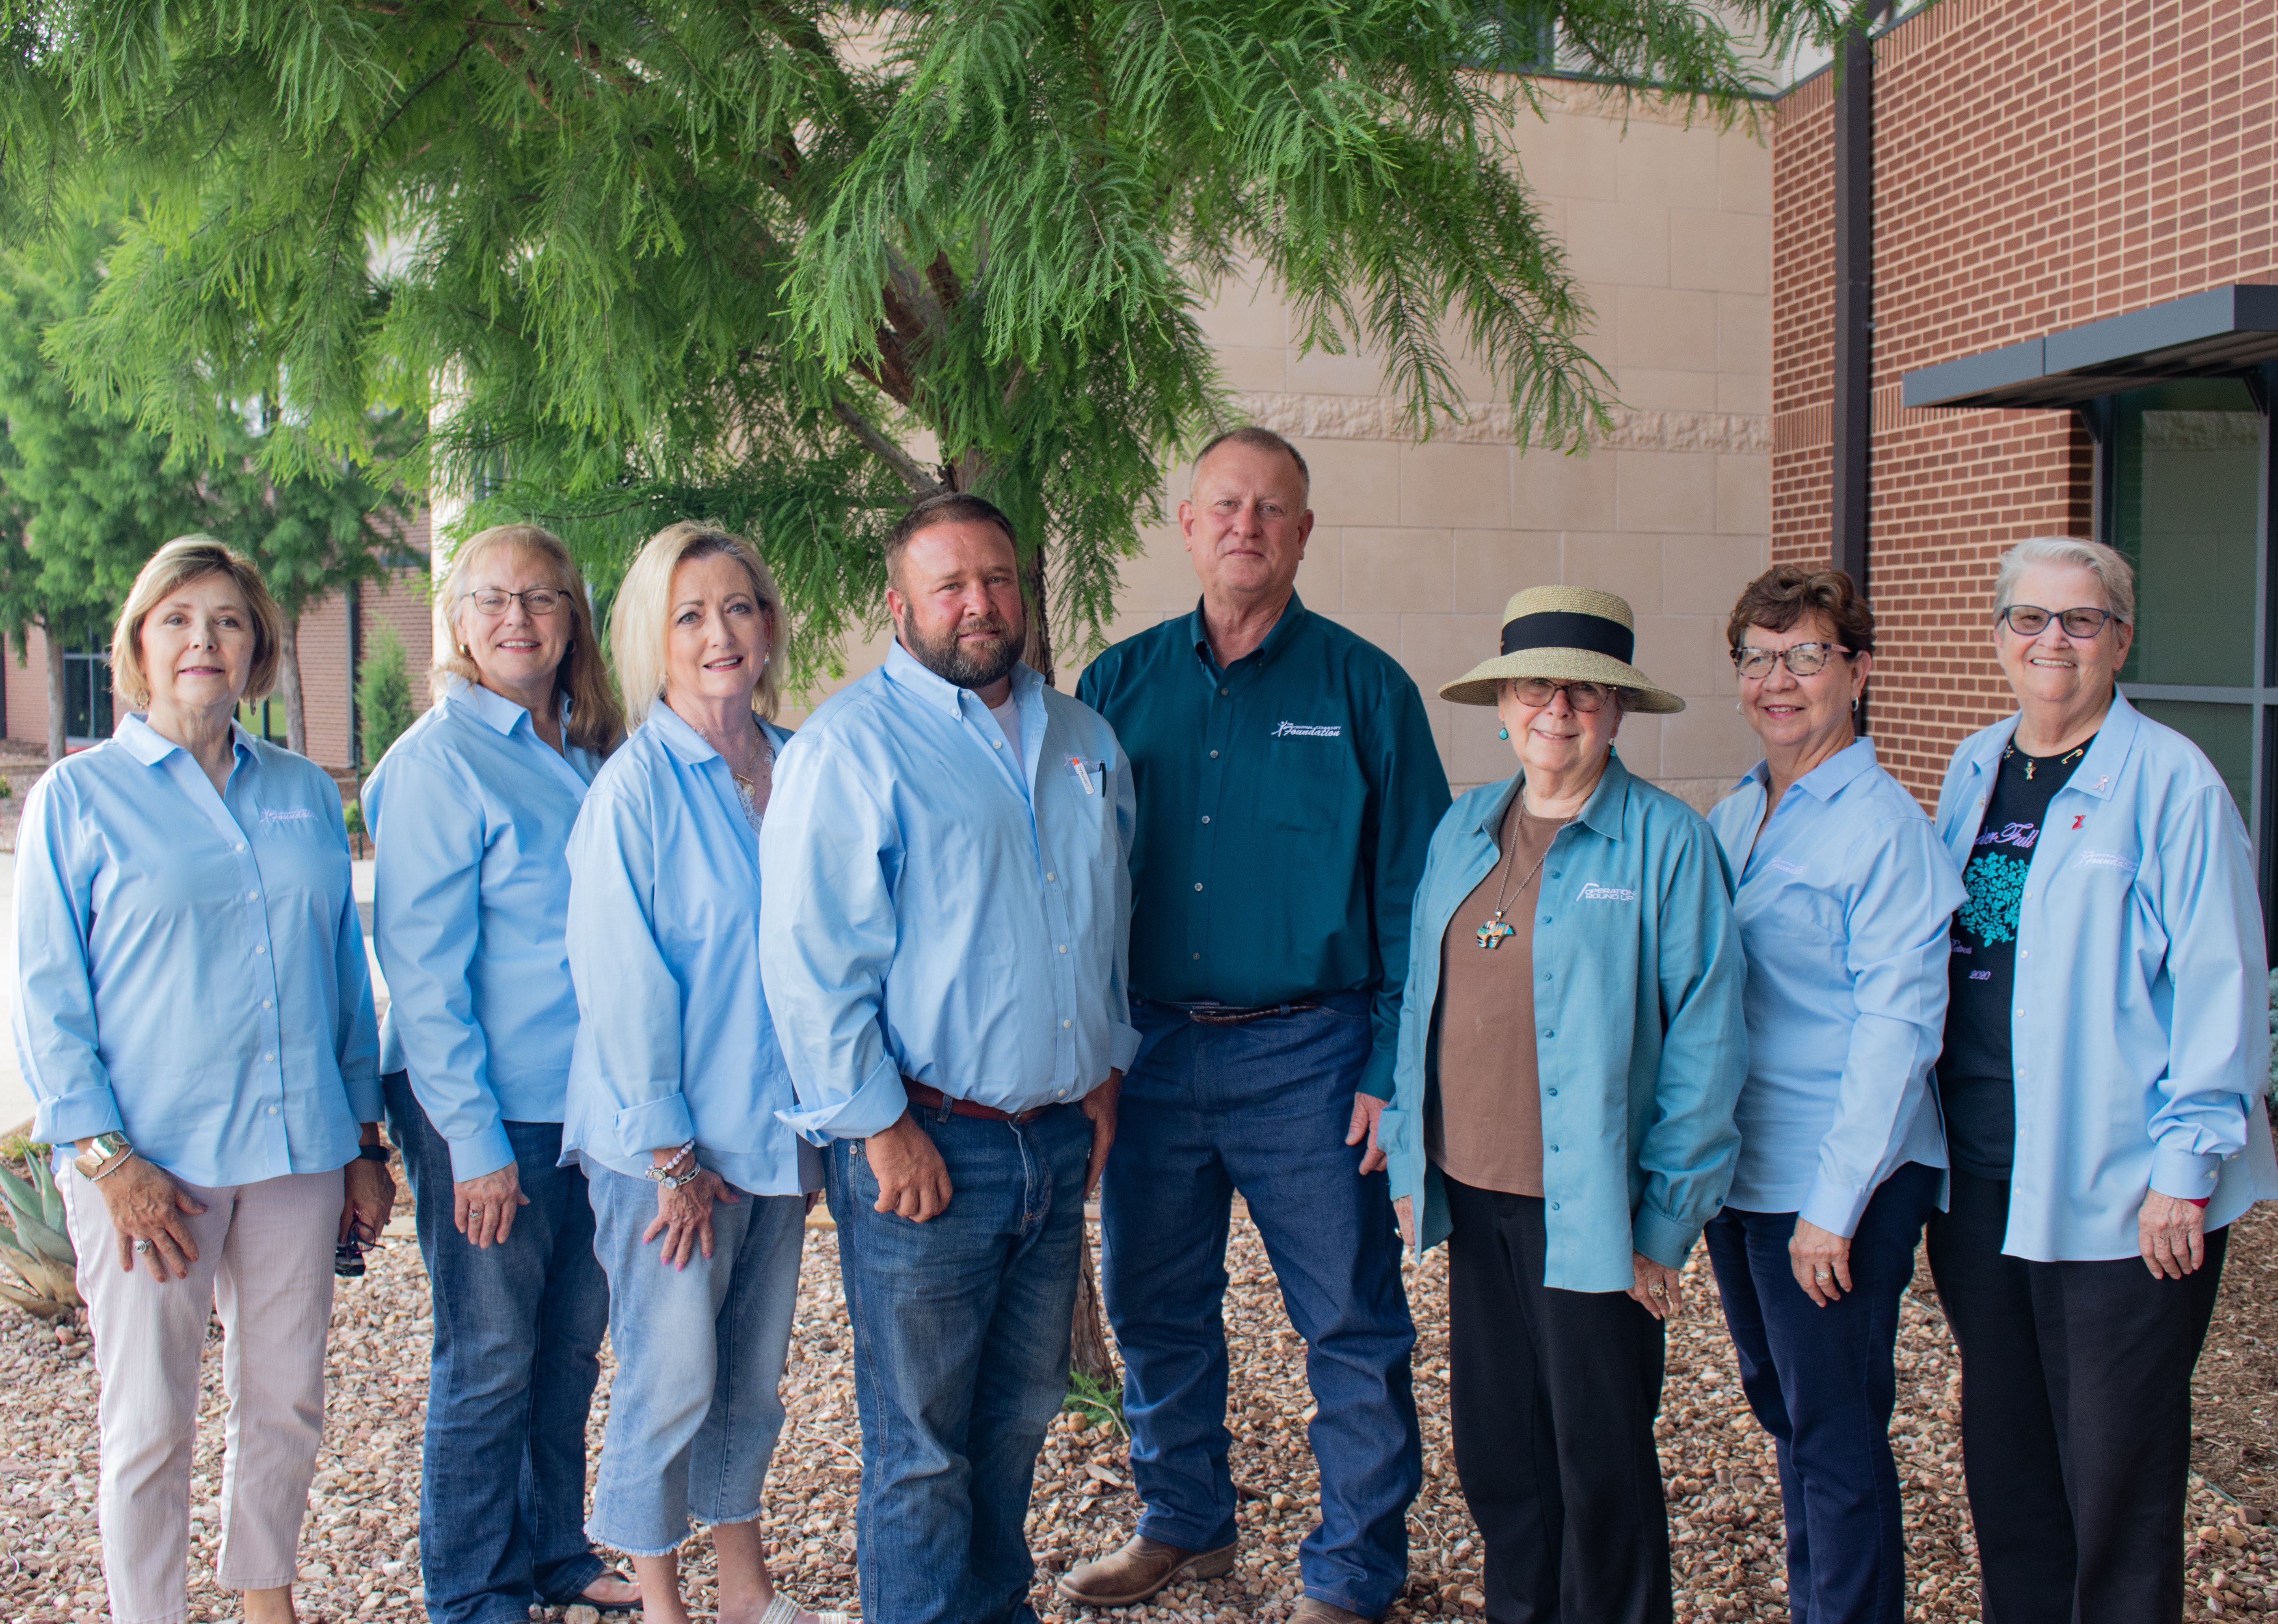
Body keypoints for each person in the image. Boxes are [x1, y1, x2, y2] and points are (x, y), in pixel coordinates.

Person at [1064, 427, 1447, 1624]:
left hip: (1312, 1055)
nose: (1246, 526)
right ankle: (1184, 1524)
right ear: (1186, 525)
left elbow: (1413, 899)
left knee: (1346, 1317)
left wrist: (1391, 1068)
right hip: (1154, 1049)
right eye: (1224, 506)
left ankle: (1353, 1572)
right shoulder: (1114, 689)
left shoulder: (1365, 691)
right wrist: (1091, 1063)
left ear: (1303, 534)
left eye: (1271, 509)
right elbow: (1072, 894)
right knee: (1154, 1306)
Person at [759, 491, 1133, 1624]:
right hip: (928, 1152)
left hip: (1055, 1139)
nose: (980, 604)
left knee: (1016, 1418)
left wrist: (1105, 1072)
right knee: (918, 1447)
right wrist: (880, 1127)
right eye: (950, 586)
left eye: (999, 579)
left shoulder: (1084, 740)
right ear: (898, 604)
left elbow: (1103, 919)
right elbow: (812, 963)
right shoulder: (849, 749)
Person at [14, 536, 391, 1624]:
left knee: (285, 1402)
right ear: (138, 643)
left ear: (257, 649)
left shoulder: (305, 796)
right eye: (177, 619)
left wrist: (364, 1147)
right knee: (146, 1421)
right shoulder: (78, 800)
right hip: (150, 1169)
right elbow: (49, 1001)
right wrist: (106, 1159)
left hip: (295, 1159)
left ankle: (266, 1598)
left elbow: (341, 988)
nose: (203, 640)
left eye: (227, 621)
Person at [1377, 585, 1746, 1624]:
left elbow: (1707, 1047)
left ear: (1619, 711)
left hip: (1596, 1213)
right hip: (1473, 1192)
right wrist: (1412, 1157)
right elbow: (1418, 1005)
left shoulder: (1668, 844)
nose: (1560, 707)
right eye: (1538, 685)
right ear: (1502, 704)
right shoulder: (1461, 826)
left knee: (1602, 1463)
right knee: (1500, 1453)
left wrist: (1665, 1222)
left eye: (1588, 690)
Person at [1926, 535, 2278, 1624]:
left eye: (2080, 621)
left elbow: (2222, 980)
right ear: (1997, 638)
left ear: (2120, 640)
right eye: (2029, 619)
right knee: (2009, 1457)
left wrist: (2186, 1168)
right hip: (1985, 1173)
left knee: (2117, 1475)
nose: (2052, 641)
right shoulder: (1975, 765)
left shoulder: (2171, 781)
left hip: (2127, 1194)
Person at [561, 520, 837, 1624]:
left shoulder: (804, 762)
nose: (719, 632)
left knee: (749, 1382)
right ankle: (659, 1597)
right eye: (689, 615)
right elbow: (623, 984)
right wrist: (671, 1154)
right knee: (670, 1379)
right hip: (668, 1150)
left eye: (737, 607)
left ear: (768, 625)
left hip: (776, 1139)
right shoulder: (632, 793)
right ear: (652, 642)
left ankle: (745, 1590)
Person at [365, 523, 634, 1624]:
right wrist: (472, 1149)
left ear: (573, 617)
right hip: (481, 1111)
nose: (516, 617)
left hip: (587, 1110)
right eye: (490, 599)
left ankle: (552, 1553)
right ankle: (472, 1591)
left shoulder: (585, 749)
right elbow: (423, 980)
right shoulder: (437, 765)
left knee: (567, 1344)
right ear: (457, 624)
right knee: (487, 1359)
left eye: (539, 597)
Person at [1700, 566, 1965, 1624]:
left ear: (1857, 671)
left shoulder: (1882, 828)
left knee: (1837, 1434)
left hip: (1836, 1185)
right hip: (1744, 1173)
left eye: (1806, 656)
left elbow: (1898, 1033)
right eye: (1758, 659)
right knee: (1788, 1415)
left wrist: (1834, 1205)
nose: (1780, 680)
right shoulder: (1734, 817)